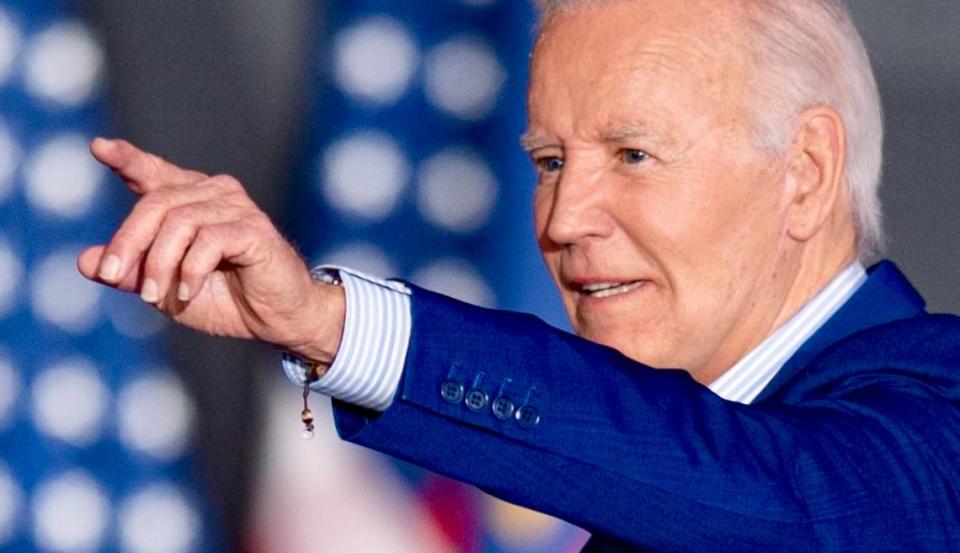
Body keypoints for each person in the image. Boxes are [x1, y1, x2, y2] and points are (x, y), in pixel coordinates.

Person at [78, 0, 960, 550]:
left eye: (634, 154)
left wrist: (332, 323)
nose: (564, 219)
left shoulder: (936, 417)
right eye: (547, 161)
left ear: (803, 170)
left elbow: (766, 497)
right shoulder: (645, 502)